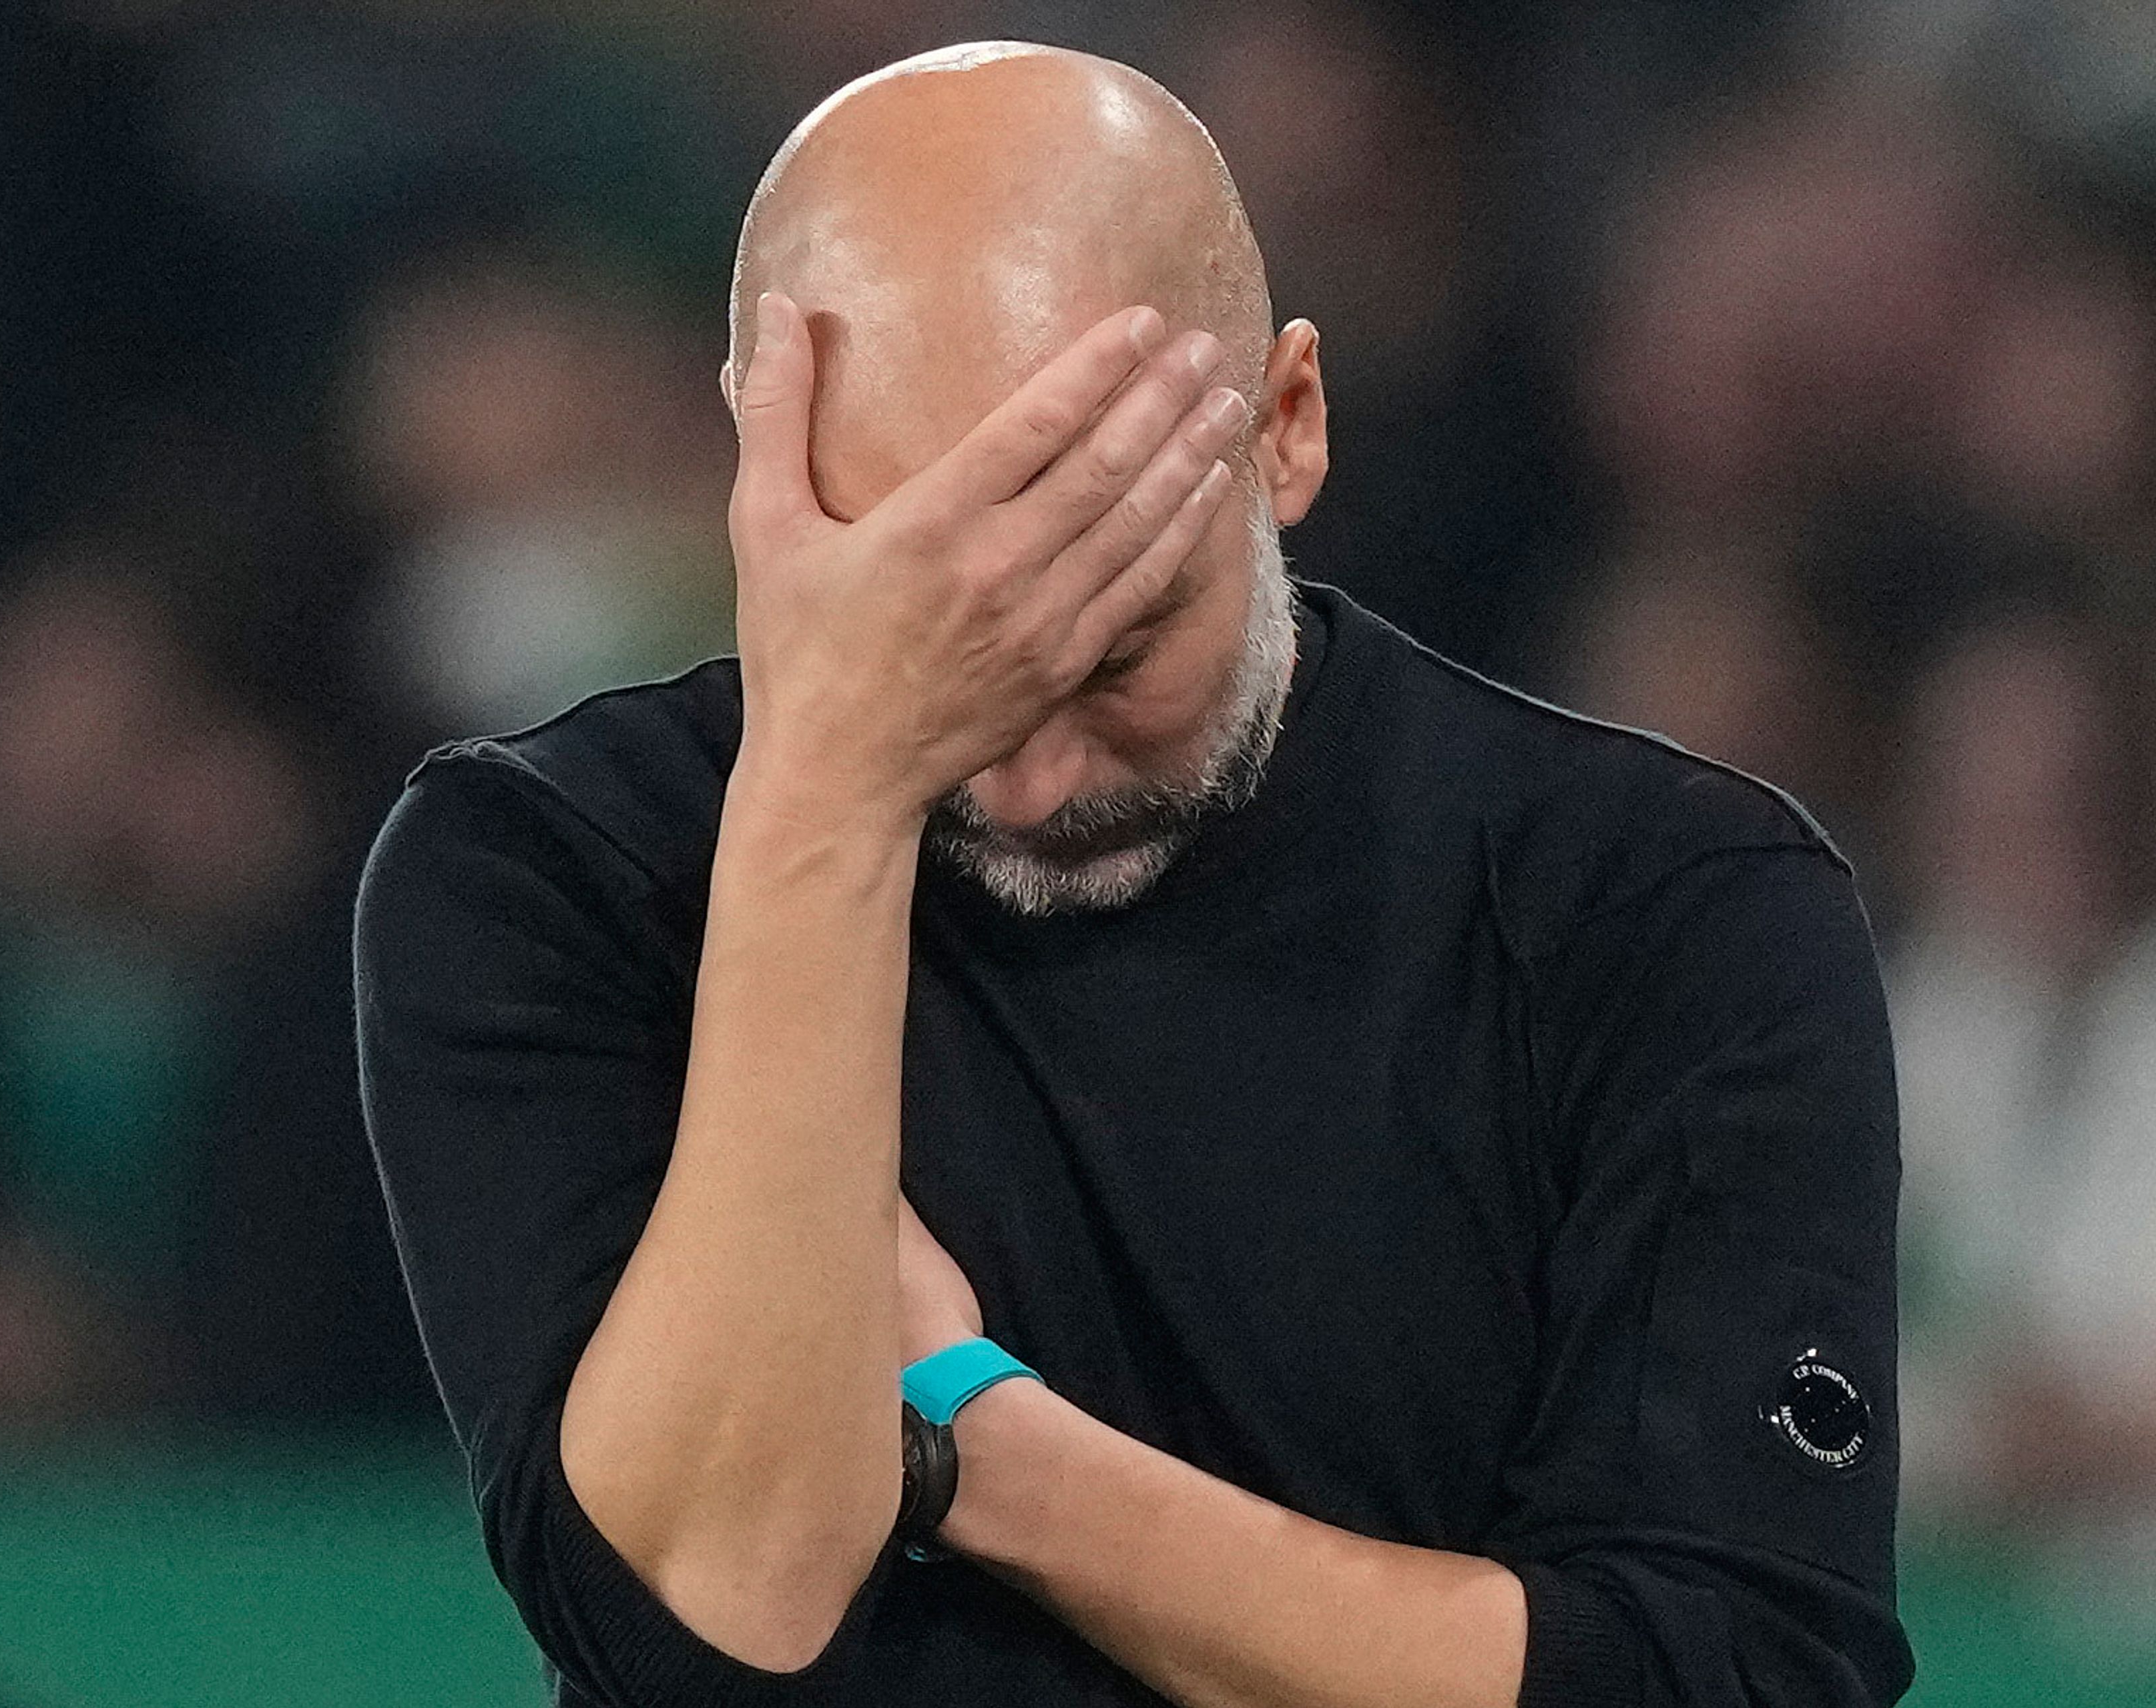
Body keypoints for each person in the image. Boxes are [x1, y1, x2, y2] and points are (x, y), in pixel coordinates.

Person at [355, 41, 1911, 1708]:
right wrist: (833, 786)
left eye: (1108, 646)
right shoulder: (550, 874)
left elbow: (1730, 1680)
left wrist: (978, 1433)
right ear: (769, 494)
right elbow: (704, 1630)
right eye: (939, 645)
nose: (1026, 773)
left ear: (1287, 429)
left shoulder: (1664, 908)